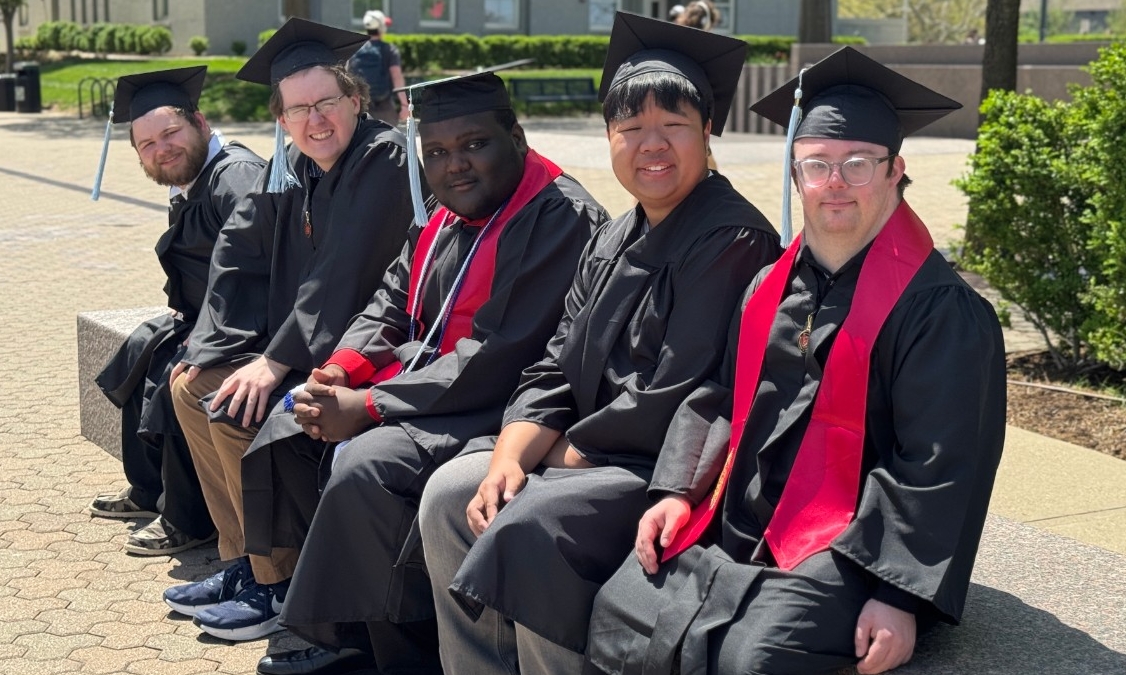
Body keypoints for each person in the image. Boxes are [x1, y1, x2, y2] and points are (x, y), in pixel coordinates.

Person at [583, 46, 1007, 675]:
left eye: (858, 164)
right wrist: (676, 490)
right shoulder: (769, 290)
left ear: (895, 172)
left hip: (851, 548)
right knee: (619, 608)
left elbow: (940, 464)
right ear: (796, 177)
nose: (834, 182)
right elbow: (721, 398)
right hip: (744, 518)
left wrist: (896, 596)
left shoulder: (940, 310)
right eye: (816, 165)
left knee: (752, 658)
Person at [417, 12, 781, 674]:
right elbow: (555, 359)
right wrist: (508, 457)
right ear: (609, 139)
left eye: (672, 125)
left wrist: (556, 456)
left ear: (707, 133)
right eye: (631, 128)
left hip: (666, 470)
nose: (652, 144)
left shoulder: (733, 239)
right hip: (585, 452)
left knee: (533, 523)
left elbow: (679, 390)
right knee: (450, 492)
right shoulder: (613, 236)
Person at [252, 69, 608, 675]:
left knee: (367, 465)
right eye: (437, 153)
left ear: (516, 137)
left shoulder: (557, 215)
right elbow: (393, 295)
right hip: (435, 382)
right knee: (289, 429)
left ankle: (406, 655)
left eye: (475, 144)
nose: (456, 166)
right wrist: (341, 370)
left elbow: (504, 350)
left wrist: (369, 405)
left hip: (502, 403)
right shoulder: (443, 211)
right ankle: (339, 626)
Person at [164, 18, 415, 643]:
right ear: (281, 120)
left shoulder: (382, 159)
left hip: (371, 350)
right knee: (192, 385)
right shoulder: (296, 169)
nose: (315, 120)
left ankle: (278, 583)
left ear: (355, 100)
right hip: (312, 342)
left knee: (236, 404)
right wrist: (208, 343)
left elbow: (343, 273)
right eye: (298, 110)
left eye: (326, 102)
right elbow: (238, 253)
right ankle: (243, 562)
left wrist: (273, 362)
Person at [89, 66, 266, 556]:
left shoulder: (236, 179)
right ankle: (150, 492)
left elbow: (259, 271)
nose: (161, 149)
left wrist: (210, 339)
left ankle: (188, 520)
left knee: (177, 373)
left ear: (200, 123)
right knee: (145, 344)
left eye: (170, 133)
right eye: (147, 144)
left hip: (247, 326)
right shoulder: (192, 176)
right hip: (209, 315)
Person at [348, 9, 409, 126]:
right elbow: (396, 77)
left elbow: (347, 76)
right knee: (389, 138)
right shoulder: (389, 50)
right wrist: (404, 105)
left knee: (363, 140)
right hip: (384, 107)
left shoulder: (355, 49)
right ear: (382, 28)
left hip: (361, 106)